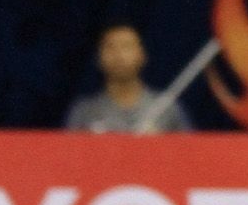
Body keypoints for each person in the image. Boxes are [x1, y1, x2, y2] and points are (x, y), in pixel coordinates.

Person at [64, 22, 192, 133]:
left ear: (142, 55)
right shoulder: (83, 112)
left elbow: (190, 154)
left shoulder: (167, 109)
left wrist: (159, 146)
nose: (119, 55)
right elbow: (67, 157)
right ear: (99, 57)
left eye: (126, 46)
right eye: (110, 47)